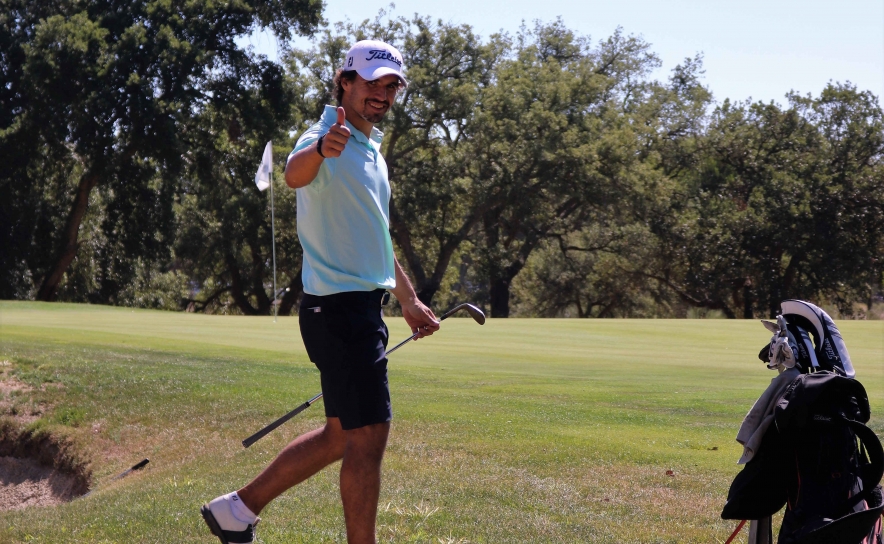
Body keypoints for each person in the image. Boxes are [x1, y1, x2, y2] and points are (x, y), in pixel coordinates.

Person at [200, 39, 440, 544]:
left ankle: (236, 511)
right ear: (345, 81)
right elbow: (294, 173)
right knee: (368, 437)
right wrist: (322, 149)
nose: (382, 93)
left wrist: (408, 298)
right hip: (339, 313)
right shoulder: (327, 134)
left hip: (353, 309)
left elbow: (375, 233)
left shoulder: (371, 150)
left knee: (340, 435)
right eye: (372, 82)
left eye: (391, 85)